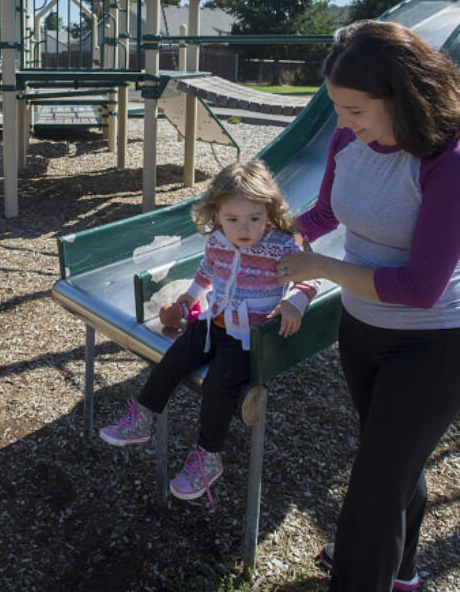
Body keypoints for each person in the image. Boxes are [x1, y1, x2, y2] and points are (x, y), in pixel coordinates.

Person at [277, 20, 460, 592]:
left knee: (373, 490)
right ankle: (401, 572)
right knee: (394, 467)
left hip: (434, 343)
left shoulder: (455, 161)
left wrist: (319, 267)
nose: (342, 125)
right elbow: (325, 215)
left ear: (402, 97)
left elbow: (421, 287)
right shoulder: (351, 142)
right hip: (363, 332)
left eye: (354, 110)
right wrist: (274, 236)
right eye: (337, 111)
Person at [99, 160, 318, 505]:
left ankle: (208, 457)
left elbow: (309, 275)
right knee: (173, 359)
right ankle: (142, 417)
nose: (243, 229)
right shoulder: (217, 240)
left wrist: (295, 302)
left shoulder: (281, 245)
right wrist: (185, 306)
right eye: (233, 219)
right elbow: (205, 273)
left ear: (269, 213)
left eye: (254, 219)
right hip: (215, 320)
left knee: (219, 384)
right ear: (217, 215)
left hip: (248, 334)